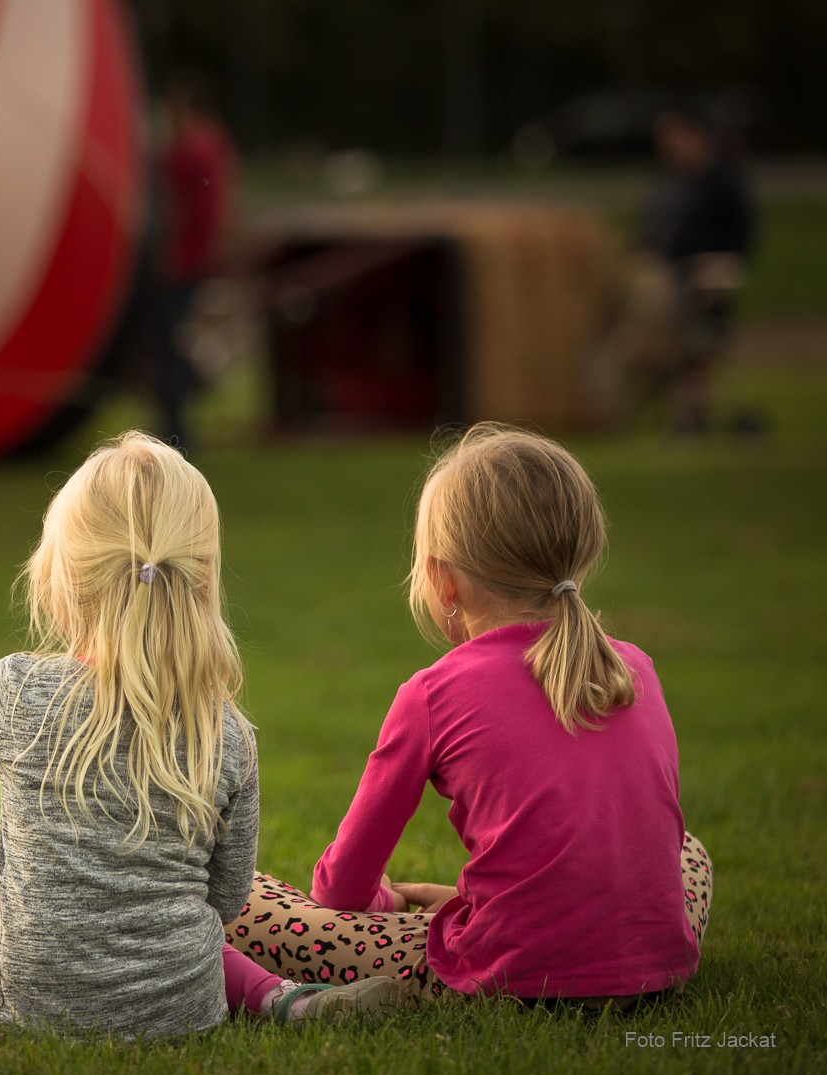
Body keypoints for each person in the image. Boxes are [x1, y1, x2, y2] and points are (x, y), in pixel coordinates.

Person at [0, 433, 402, 1035]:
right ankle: (285, 1000)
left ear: (62, 579)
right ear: (202, 580)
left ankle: (275, 997)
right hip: (183, 1011)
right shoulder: (227, 733)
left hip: (33, 1008)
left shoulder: (20, 694)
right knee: (198, 936)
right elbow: (225, 898)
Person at [231, 424, 712, 1006]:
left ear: (443, 579)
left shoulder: (433, 693)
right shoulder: (633, 666)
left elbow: (338, 889)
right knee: (687, 851)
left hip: (507, 977)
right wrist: (465, 895)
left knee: (240, 898)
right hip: (654, 970)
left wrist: (391, 904)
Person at [638, 105, 755, 432]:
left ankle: (693, 413)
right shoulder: (670, 182)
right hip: (666, 276)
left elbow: (742, 234)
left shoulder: (721, 182)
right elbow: (652, 232)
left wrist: (722, 263)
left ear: (694, 135)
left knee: (696, 340)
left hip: (701, 280)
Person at [152, 78, 236, 450]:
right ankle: (178, 420)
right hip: (197, 260)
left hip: (182, 263)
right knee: (172, 343)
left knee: (167, 346)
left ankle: (177, 425)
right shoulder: (215, 145)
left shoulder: (190, 151)